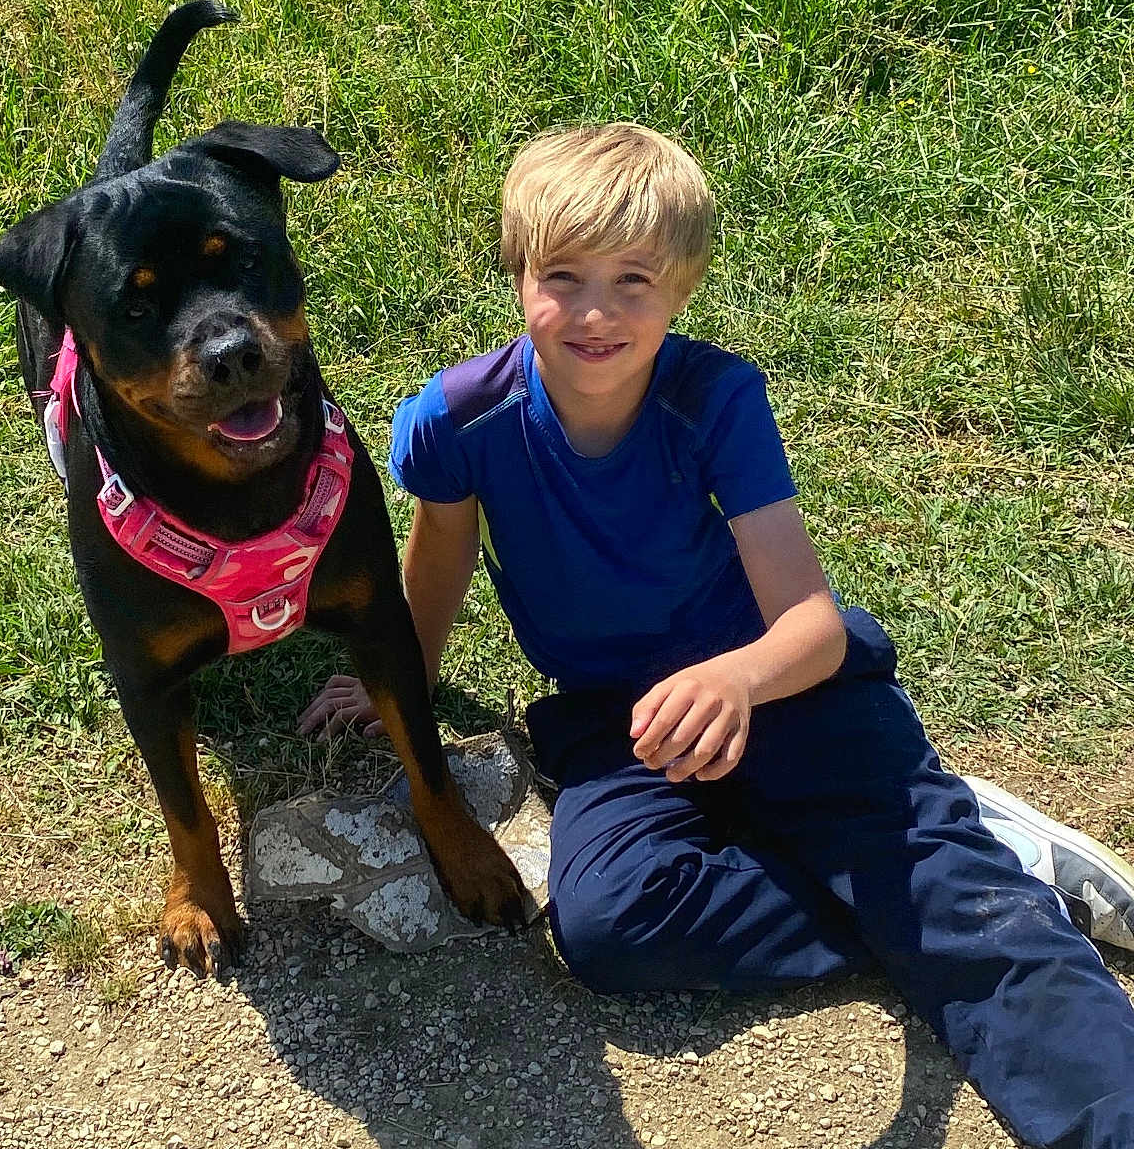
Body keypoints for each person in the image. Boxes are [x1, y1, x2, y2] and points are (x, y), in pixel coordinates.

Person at [298, 123, 1134, 1148]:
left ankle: (986, 926)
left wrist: (738, 679)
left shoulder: (715, 399)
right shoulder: (457, 420)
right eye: (562, 275)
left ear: (682, 289)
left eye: (634, 280)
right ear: (517, 274)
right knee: (609, 932)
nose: (596, 311)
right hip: (623, 717)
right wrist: (399, 687)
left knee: (970, 921)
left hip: (784, 684)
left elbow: (813, 628)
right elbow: (437, 566)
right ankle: (958, 887)